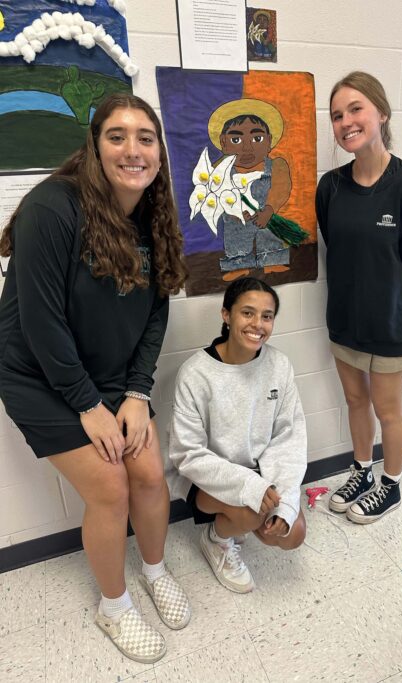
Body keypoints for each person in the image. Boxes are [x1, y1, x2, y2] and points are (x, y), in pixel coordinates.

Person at [0, 93, 190, 663]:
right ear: (95, 146)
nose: (132, 149)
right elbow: (40, 321)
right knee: (110, 487)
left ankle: (155, 570)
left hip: (110, 373)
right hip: (39, 371)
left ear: (158, 152)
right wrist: (87, 404)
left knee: (151, 472)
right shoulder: (52, 207)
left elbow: (158, 311)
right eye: (116, 136)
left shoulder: (155, 213)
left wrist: (136, 392)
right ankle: (114, 606)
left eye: (145, 138)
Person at [315, 72, 402, 524]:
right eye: (336, 115)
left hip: (393, 324)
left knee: (388, 409)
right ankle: (361, 471)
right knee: (355, 401)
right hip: (346, 320)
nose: (346, 121)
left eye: (356, 109)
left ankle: (390, 486)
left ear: (381, 113)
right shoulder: (329, 188)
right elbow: (339, 249)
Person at [169, 277, 307, 593]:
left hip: (259, 472)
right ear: (226, 315)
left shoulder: (279, 365)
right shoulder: (196, 373)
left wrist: (284, 501)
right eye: (247, 313)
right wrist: (249, 486)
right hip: (206, 478)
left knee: (292, 534)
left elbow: (289, 436)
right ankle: (217, 539)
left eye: (267, 316)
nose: (257, 324)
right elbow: (187, 453)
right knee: (249, 511)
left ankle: (244, 519)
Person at [207, 99, 292, 281]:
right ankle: (238, 264)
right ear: (223, 143)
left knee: (270, 232)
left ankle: (273, 258)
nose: (247, 148)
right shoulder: (221, 169)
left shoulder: (276, 165)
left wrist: (269, 210)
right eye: (236, 139)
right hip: (237, 217)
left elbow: (281, 188)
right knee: (236, 236)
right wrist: (234, 210)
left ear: (269, 141)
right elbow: (215, 191)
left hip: (266, 213)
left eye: (257, 139)